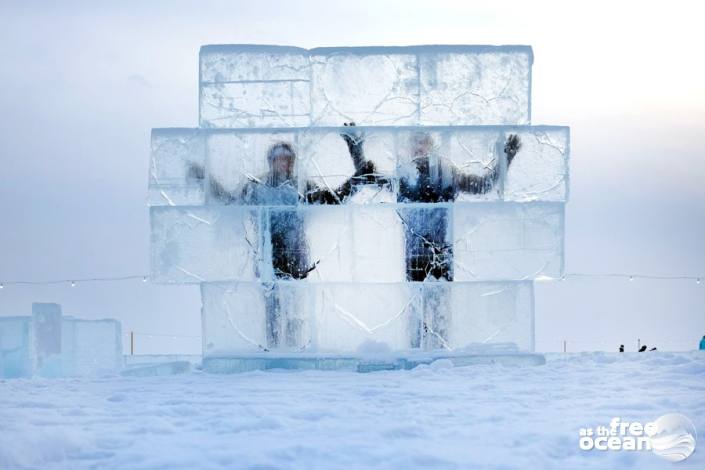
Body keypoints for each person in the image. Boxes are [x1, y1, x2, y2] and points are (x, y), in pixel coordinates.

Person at [189, 123, 380, 349]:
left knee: (293, 307)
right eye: (279, 158)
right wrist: (206, 180)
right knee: (272, 308)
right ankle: (274, 350)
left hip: (296, 257)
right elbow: (231, 202)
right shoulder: (257, 187)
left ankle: (291, 349)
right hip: (268, 256)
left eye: (288, 158)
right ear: (271, 161)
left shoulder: (302, 187)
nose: (284, 162)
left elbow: (332, 200)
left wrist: (357, 176)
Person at [397, 132, 521, 348]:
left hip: (441, 253)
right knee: (416, 311)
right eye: (414, 144)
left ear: (431, 147)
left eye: (423, 143)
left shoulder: (447, 173)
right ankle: (414, 354)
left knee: (440, 308)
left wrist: (505, 159)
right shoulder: (405, 176)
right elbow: (370, 180)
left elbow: (482, 186)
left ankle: (440, 354)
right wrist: (356, 153)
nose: (418, 149)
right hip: (415, 255)